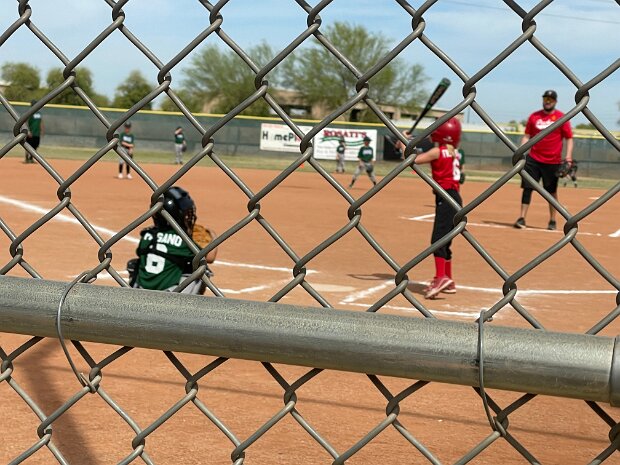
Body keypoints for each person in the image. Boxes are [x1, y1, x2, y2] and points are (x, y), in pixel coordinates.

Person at [412, 117, 463, 299]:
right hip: (455, 199)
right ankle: (448, 279)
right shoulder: (454, 151)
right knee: (446, 241)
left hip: (445, 198)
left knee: (437, 240)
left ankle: (440, 277)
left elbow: (413, 160)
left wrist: (403, 144)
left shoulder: (437, 151)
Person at [129, 186, 213, 294]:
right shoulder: (182, 241)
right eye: (186, 214)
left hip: (140, 291)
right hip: (167, 296)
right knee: (202, 269)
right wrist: (212, 234)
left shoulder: (147, 234)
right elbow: (210, 257)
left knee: (134, 264)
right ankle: (187, 303)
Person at [514, 90, 573, 230]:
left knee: (551, 191)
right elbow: (527, 136)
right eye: (546, 98)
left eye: (551, 99)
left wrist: (568, 157)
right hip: (533, 158)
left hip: (552, 160)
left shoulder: (561, 117)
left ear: (555, 101)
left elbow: (569, 138)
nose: (548, 101)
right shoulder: (534, 116)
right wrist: (521, 152)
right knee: (527, 188)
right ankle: (522, 218)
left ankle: (552, 220)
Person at [24, 100, 44, 164]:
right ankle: (27, 158)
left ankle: (31, 158)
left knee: (35, 146)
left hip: (37, 133)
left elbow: (41, 122)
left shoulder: (39, 114)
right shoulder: (29, 113)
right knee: (28, 146)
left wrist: (42, 130)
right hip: (31, 133)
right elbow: (25, 122)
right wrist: (28, 131)